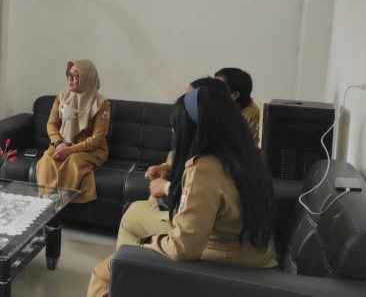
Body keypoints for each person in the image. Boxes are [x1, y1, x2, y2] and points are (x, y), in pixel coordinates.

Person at [87, 86, 277, 297]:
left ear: (195, 129)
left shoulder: (204, 168)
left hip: (221, 265)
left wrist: (146, 243)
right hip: (253, 256)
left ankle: (128, 275)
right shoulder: (251, 155)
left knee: (103, 275)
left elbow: (183, 248)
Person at [35, 60, 110, 204]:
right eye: (68, 75)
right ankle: (45, 203)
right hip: (62, 144)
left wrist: (70, 150)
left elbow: (97, 138)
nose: (70, 79)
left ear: (87, 79)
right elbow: (51, 124)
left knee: (73, 161)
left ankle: (61, 203)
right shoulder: (62, 96)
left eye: (76, 76)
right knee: (46, 159)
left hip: (90, 150)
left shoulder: (102, 104)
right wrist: (59, 143)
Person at [214, 67, 260, 145]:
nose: (211, 91)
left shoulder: (250, 114)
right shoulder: (223, 107)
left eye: (218, 88)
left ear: (234, 95)